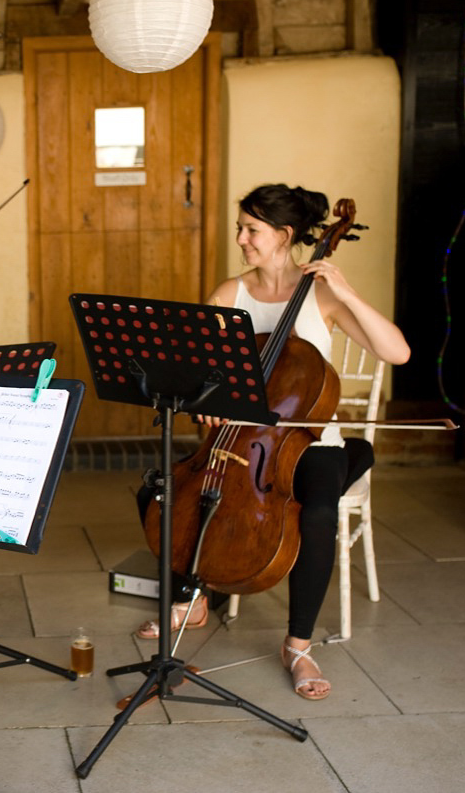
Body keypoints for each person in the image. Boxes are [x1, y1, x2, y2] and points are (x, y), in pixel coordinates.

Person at [135, 184, 410, 701]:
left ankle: (298, 645)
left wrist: (346, 291)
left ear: (284, 235)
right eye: (241, 228)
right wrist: (205, 399)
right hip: (239, 440)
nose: (240, 239)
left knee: (318, 510)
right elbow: (198, 377)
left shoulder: (321, 294)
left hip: (308, 441)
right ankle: (193, 596)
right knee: (160, 491)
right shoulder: (227, 295)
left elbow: (397, 352)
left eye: (251, 230)